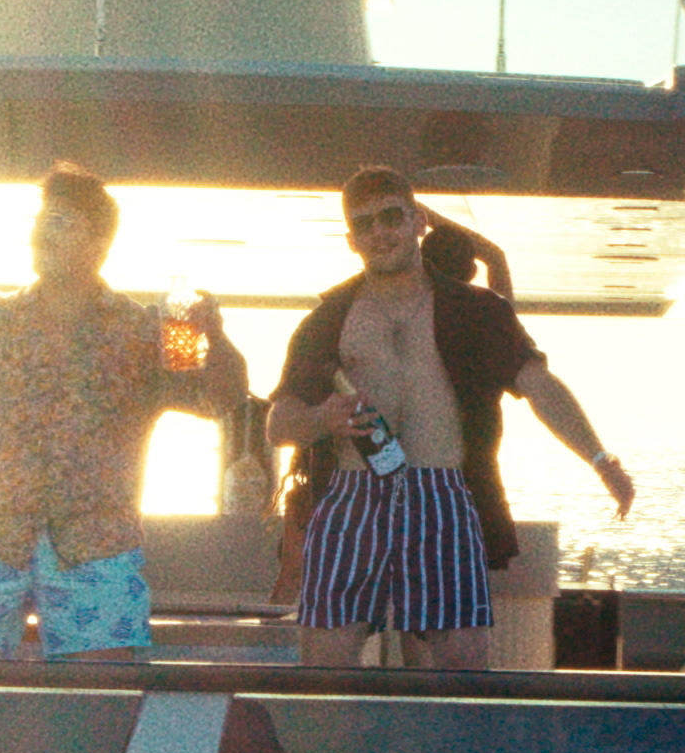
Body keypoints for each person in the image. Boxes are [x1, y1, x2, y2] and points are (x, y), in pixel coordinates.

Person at [0, 164, 249, 663]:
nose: (41, 233)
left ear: (100, 243)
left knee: (106, 694)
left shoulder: (142, 332)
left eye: (61, 222)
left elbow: (220, 399)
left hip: (96, 544)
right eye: (41, 220)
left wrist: (215, 336)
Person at [268, 165, 635, 669]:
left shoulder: (478, 311)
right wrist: (321, 420)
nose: (380, 233)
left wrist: (601, 460)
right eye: (365, 224)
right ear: (352, 240)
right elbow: (279, 421)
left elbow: (539, 385)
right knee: (324, 670)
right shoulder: (326, 321)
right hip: (353, 497)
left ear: (418, 222)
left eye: (391, 217)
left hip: (443, 495)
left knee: (459, 676)